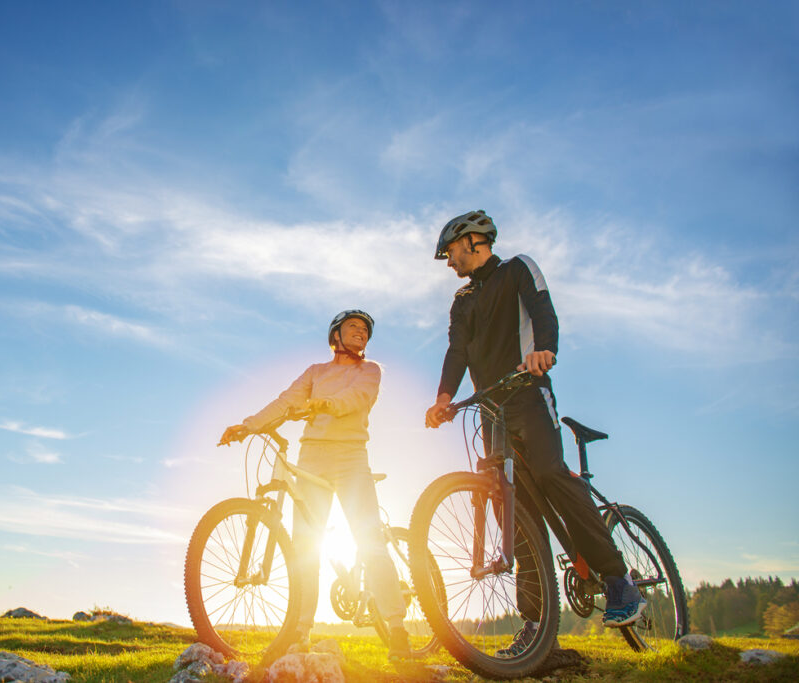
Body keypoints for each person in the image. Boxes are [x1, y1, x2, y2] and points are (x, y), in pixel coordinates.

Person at [423, 210, 645, 657]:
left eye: (450, 252)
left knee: (549, 474)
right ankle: (537, 625)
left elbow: (543, 308)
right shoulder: (462, 299)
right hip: (491, 408)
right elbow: (457, 350)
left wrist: (545, 349)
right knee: (516, 511)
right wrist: (445, 396)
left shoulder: (517, 269)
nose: (449, 262)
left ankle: (620, 582)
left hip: (528, 390)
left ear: (472, 241)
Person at [220, 310, 412, 661]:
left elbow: (358, 398)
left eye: (366, 330)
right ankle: (300, 630)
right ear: (335, 335)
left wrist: (327, 404)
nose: (361, 333)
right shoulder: (315, 372)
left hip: (351, 458)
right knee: (304, 546)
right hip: (313, 459)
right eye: (353, 327)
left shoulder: (369, 371)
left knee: (370, 542)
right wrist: (248, 426)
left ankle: (397, 630)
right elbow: (286, 401)